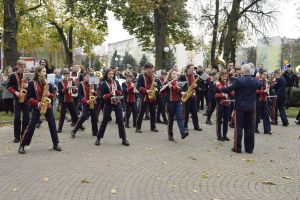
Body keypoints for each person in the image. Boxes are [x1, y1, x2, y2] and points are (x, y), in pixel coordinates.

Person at [18, 65, 62, 154]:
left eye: (45, 71)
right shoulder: (32, 83)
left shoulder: (47, 82)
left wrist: (50, 93)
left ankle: (56, 144)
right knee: (31, 126)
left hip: (47, 105)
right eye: (43, 71)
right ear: (38, 73)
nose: (45, 73)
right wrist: (38, 103)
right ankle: (22, 145)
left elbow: (52, 95)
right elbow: (28, 98)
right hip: (37, 106)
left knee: (52, 124)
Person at [220, 64, 262, 153]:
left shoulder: (238, 81)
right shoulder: (254, 80)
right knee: (250, 128)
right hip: (251, 107)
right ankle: (249, 149)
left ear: (242, 71)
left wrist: (220, 87)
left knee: (239, 128)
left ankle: (237, 148)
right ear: (250, 71)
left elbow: (228, 89)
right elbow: (260, 84)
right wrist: (258, 77)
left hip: (240, 107)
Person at [95, 68, 129, 146]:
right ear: (106, 75)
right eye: (109, 74)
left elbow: (121, 93)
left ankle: (124, 139)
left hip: (117, 102)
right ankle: (98, 138)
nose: (111, 75)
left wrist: (117, 92)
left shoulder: (116, 82)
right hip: (108, 103)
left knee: (120, 120)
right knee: (105, 121)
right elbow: (102, 96)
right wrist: (110, 94)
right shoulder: (103, 83)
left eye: (112, 74)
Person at [159, 69, 189, 141]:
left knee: (180, 117)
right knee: (171, 119)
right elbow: (161, 93)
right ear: (170, 75)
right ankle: (170, 135)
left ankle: (182, 132)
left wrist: (181, 92)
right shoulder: (167, 82)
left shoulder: (177, 82)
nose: (175, 75)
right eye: (173, 74)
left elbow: (179, 91)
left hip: (178, 102)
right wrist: (166, 87)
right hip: (170, 103)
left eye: (176, 74)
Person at [7, 60, 30, 143]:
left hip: (26, 99)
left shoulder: (27, 75)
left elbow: (32, 85)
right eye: (22, 67)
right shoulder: (13, 75)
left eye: (24, 67)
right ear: (18, 67)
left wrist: (28, 85)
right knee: (17, 117)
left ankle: (24, 135)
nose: (23, 69)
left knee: (26, 118)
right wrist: (15, 92)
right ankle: (17, 136)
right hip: (17, 99)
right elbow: (9, 86)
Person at [71, 72, 98, 137]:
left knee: (94, 117)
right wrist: (86, 101)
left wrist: (94, 92)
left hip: (93, 102)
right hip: (85, 103)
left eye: (89, 77)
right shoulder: (81, 84)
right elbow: (80, 95)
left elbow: (97, 93)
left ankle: (95, 132)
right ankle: (74, 130)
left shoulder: (93, 83)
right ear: (84, 77)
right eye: (87, 77)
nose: (88, 78)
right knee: (84, 116)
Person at [135, 63, 159, 133]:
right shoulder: (141, 76)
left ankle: (153, 127)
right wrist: (146, 90)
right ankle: (138, 128)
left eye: (152, 68)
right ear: (146, 69)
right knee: (141, 112)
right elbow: (138, 87)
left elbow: (157, 87)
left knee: (153, 112)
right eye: (150, 68)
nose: (152, 70)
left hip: (152, 96)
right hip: (144, 96)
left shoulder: (153, 76)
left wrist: (156, 85)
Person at [179, 64, 202, 131]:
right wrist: (183, 92)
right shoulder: (183, 76)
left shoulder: (194, 76)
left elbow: (196, 86)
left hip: (193, 95)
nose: (193, 70)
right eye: (191, 69)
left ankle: (196, 126)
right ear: (187, 69)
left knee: (194, 111)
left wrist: (196, 86)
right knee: (186, 111)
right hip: (186, 95)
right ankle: (185, 125)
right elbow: (180, 86)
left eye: (193, 69)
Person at [215, 70, 233, 141]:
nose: (224, 78)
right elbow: (215, 95)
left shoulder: (229, 83)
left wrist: (230, 92)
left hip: (227, 103)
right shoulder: (217, 83)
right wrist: (223, 95)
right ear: (220, 76)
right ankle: (219, 135)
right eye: (223, 76)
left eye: (226, 76)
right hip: (220, 103)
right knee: (219, 120)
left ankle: (225, 135)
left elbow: (232, 93)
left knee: (226, 120)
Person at [255, 70, 272, 134]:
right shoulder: (257, 81)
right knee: (257, 115)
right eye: (264, 74)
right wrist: (263, 91)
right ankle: (255, 128)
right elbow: (255, 90)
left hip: (264, 99)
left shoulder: (265, 81)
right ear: (260, 74)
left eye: (266, 74)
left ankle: (267, 130)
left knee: (266, 115)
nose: (265, 76)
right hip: (258, 100)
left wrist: (267, 89)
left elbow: (267, 89)